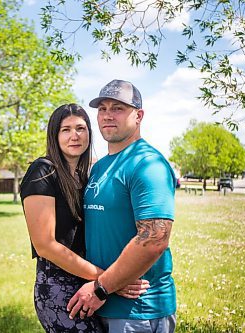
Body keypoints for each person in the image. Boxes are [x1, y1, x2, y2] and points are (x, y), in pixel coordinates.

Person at [20, 103, 150, 333]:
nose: (74, 136)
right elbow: (45, 245)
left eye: (81, 128)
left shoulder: (86, 177)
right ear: (54, 135)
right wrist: (107, 280)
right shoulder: (43, 171)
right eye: (66, 129)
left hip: (88, 284)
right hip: (58, 287)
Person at [67, 80, 177, 332]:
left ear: (138, 116)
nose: (107, 115)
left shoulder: (148, 164)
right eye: (102, 108)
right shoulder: (101, 167)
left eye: (117, 108)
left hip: (138, 310)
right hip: (100, 304)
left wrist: (101, 287)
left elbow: (154, 240)